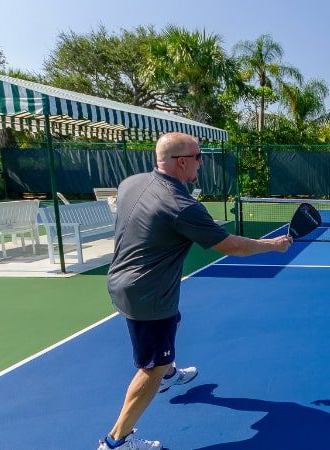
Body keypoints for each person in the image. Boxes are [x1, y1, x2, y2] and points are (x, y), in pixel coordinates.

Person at [97, 133, 292, 450]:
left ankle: (170, 372)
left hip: (122, 281)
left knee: (170, 324)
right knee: (151, 368)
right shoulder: (182, 205)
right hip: (148, 294)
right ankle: (115, 441)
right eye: (199, 156)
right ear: (182, 161)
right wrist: (273, 245)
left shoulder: (131, 183)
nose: (202, 162)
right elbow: (231, 247)